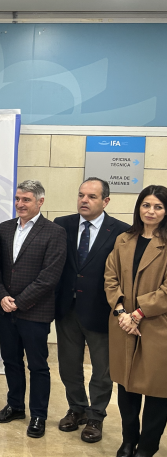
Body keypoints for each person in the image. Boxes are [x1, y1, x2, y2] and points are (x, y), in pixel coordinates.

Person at [54, 177, 129, 443]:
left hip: (101, 312)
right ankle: (77, 409)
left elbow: (122, 275)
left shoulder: (121, 231)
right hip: (66, 310)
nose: (84, 200)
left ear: (105, 201)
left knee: (102, 370)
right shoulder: (62, 225)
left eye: (92, 197)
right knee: (68, 366)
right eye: (81, 195)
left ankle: (96, 415)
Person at [0, 180, 67, 438]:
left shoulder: (54, 232)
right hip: (5, 308)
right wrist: (2, 296)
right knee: (10, 361)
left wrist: (19, 302)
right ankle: (15, 406)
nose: (20, 204)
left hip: (35, 312)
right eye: (17, 199)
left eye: (26, 200)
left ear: (40, 202)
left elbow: (49, 277)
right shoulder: (4, 228)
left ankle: (38, 415)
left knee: (37, 365)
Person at [105, 185, 167, 457]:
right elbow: (110, 277)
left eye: (158, 206)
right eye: (146, 205)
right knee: (126, 386)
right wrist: (121, 312)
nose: (150, 211)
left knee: (156, 389)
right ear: (138, 207)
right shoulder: (123, 239)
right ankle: (128, 440)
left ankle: (148, 446)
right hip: (123, 325)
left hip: (157, 326)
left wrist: (139, 313)